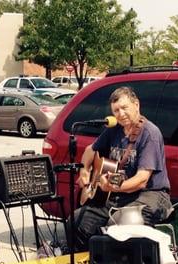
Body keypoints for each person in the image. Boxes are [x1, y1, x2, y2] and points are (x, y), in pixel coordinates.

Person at [73, 86, 172, 251]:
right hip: (117, 194)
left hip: (150, 194)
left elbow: (141, 180)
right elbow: (90, 150)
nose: (120, 114)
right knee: (77, 221)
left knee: (121, 224)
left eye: (124, 108)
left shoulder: (150, 133)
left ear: (136, 105)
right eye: (116, 110)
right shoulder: (114, 130)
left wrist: (113, 186)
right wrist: (84, 171)